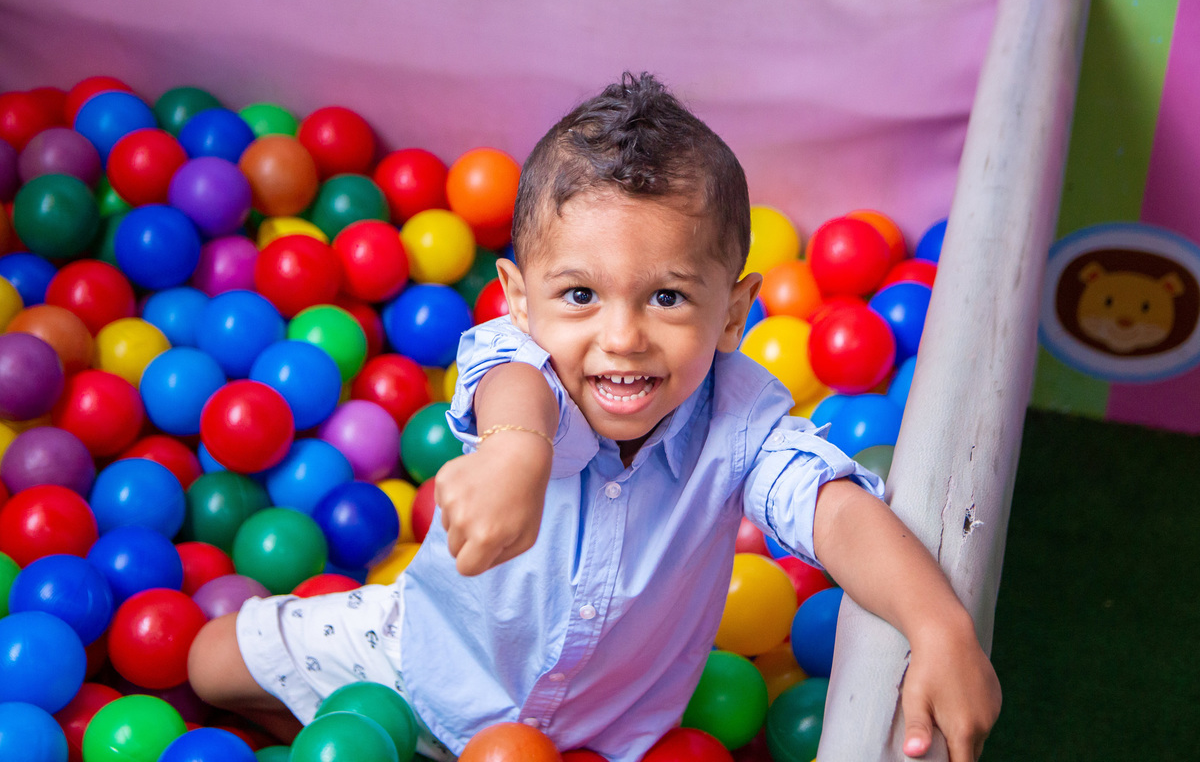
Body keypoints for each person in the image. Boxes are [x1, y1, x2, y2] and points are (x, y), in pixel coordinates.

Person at [189, 72, 1001, 762]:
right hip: (423, 661)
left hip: (603, 736)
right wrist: (514, 456)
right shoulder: (522, 367)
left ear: (733, 314)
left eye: (667, 297)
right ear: (518, 300)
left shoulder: (742, 427)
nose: (622, 337)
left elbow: (837, 512)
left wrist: (938, 625)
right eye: (580, 294)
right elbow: (513, 388)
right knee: (207, 661)